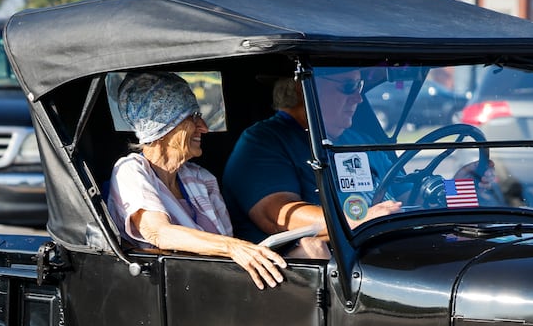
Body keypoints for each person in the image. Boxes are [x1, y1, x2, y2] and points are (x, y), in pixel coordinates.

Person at [106, 70, 287, 290]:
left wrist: (237, 250)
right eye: (192, 117)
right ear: (164, 126)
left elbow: (225, 247)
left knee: (310, 249)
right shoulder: (131, 171)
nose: (204, 127)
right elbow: (159, 233)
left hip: (216, 284)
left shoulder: (201, 178)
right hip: (169, 290)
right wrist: (231, 247)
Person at [223, 71, 400, 249]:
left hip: (384, 247)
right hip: (331, 263)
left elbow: (406, 192)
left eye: (359, 86)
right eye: (349, 87)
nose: (358, 98)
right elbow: (279, 216)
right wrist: (358, 221)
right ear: (304, 88)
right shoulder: (263, 142)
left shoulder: (360, 141)